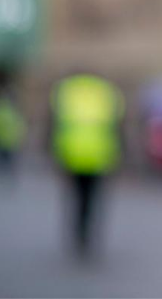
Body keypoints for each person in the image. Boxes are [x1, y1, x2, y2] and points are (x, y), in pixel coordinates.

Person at [50, 72, 125, 258]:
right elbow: (116, 127)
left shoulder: (67, 91)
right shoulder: (106, 93)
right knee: (92, 198)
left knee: (76, 196)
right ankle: (88, 235)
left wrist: (53, 152)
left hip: (72, 154)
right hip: (99, 155)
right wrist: (120, 152)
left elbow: (55, 124)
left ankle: (78, 233)